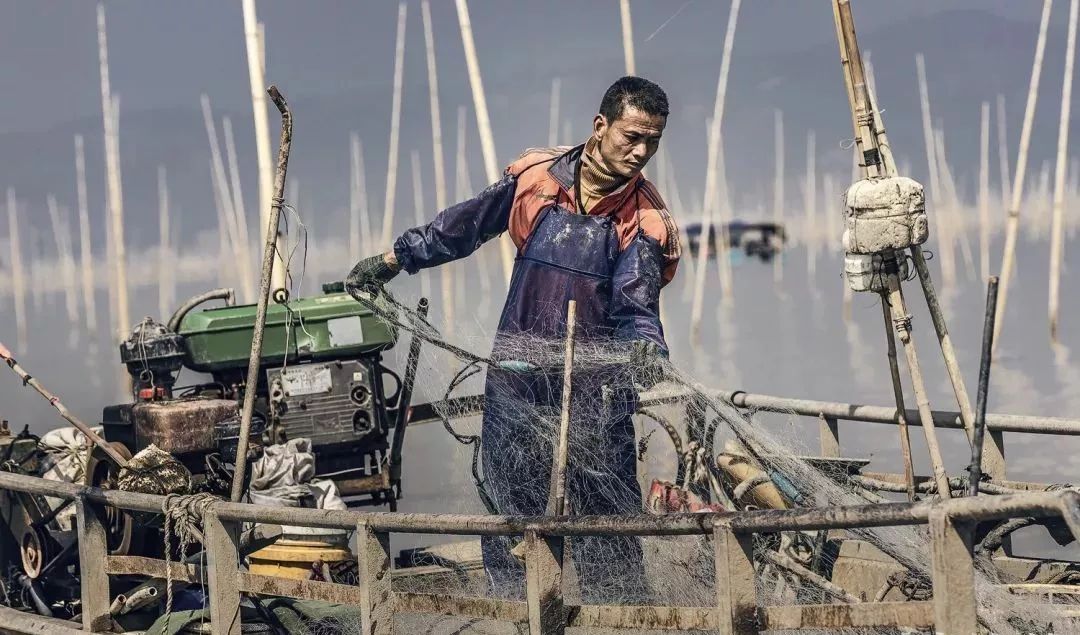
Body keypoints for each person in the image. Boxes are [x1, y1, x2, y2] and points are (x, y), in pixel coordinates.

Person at [347, 76, 680, 600]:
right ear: (601, 126)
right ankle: (516, 616)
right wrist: (393, 260)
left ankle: (620, 618)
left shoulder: (644, 222)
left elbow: (637, 304)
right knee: (511, 510)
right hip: (517, 380)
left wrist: (648, 346)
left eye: (653, 142)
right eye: (632, 137)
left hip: (597, 392)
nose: (642, 152)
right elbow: (461, 227)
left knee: (606, 519)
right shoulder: (535, 181)